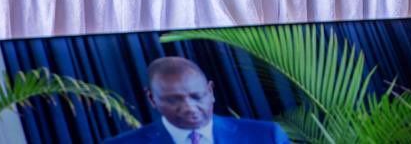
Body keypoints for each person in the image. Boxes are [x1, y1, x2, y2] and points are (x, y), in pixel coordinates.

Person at [103, 57, 289, 144]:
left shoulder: (267, 136)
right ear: (152, 99)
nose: (189, 107)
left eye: (197, 96)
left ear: (210, 91)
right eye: (173, 100)